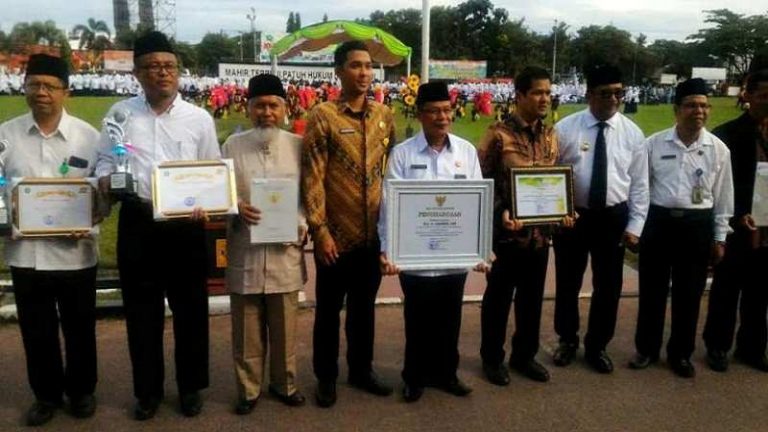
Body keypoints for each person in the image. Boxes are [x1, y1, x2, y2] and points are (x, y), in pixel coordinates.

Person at [94, 31, 220, 420]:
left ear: (178, 71)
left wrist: (208, 202)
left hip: (186, 227)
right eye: (151, 66)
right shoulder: (119, 115)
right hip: (138, 221)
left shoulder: (198, 119)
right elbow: (102, 163)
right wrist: (103, 180)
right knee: (141, 313)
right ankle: (147, 391)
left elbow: (212, 171)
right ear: (136, 73)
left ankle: (190, 387)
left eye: (167, 66)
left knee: (191, 311)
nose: (160, 73)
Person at [0, 54, 100, 427]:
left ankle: (81, 391)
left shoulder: (89, 137)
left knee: (79, 326)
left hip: (76, 251)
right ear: (24, 88)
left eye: (49, 86)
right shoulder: (5, 136)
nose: (41, 92)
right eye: (34, 85)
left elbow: (101, 193)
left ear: (66, 92)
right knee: (36, 328)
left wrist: (91, 214)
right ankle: (45, 395)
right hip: (26, 252)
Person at [378, 82, 490, 403]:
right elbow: (389, 206)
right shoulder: (402, 154)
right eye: (434, 111)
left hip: (454, 256)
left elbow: (477, 203)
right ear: (420, 114)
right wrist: (388, 249)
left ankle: (447, 374)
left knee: (449, 320)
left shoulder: (466, 152)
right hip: (414, 258)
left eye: (446, 110)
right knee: (417, 321)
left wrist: (481, 248)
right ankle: (414, 378)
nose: (442, 117)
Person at [302, 41, 397, 408]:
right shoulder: (323, 116)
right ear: (339, 71)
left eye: (369, 66)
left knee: (364, 311)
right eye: (355, 66)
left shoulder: (384, 116)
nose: (364, 73)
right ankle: (326, 376)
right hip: (334, 238)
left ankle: (361, 370)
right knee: (328, 312)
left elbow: (392, 175)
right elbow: (312, 178)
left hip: (372, 238)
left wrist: (392, 232)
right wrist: (319, 229)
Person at [629, 78, 733, 378]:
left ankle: (681, 354)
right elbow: (640, 189)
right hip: (659, 223)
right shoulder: (654, 144)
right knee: (652, 291)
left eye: (703, 105)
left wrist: (719, 236)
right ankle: (646, 349)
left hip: (697, 227)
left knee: (689, 294)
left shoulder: (718, 149)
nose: (697, 111)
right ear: (677, 110)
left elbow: (724, 196)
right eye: (690, 105)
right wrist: (637, 226)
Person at [477, 67, 574, 385]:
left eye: (548, 92)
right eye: (537, 92)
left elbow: (554, 183)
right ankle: (492, 359)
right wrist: (501, 210)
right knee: (498, 301)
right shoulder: (497, 135)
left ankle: (524, 356)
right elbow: (481, 183)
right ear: (519, 96)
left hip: (539, 238)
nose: (545, 98)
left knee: (532, 301)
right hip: (507, 237)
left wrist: (564, 211)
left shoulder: (550, 135)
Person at [552, 65, 649, 373]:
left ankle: (597, 346)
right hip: (573, 217)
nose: (613, 99)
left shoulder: (633, 133)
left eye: (618, 93)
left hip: (613, 218)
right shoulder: (565, 129)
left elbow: (640, 184)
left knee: (608, 286)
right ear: (589, 94)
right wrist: (555, 213)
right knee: (568, 281)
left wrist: (635, 226)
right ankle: (567, 340)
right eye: (606, 93)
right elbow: (550, 174)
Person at [222, 74, 307, 415]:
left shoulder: (299, 146)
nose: (266, 112)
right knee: (246, 327)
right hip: (246, 246)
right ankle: (248, 389)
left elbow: (308, 196)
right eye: (259, 105)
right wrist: (237, 207)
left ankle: (285, 384)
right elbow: (220, 193)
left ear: (285, 108)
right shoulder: (231, 146)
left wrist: (299, 222)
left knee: (286, 325)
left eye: (273, 105)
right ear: (248, 107)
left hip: (284, 249)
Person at [703, 69, 768, 372]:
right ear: (748, 95)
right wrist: (739, 213)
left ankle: (752, 348)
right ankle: (717, 346)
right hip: (736, 226)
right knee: (727, 289)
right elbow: (715, 186)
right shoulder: (726, 136)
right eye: (764, 95)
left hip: (767, 230)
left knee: (761, 292)